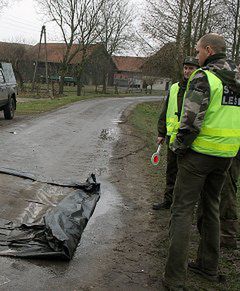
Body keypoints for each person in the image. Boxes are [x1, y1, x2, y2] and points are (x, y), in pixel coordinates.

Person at [162, 33, 240, 290]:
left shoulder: (205, 77)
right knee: (211, 209)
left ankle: (174, 278)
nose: (196, 56)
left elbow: (191, 119)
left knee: (182, 210)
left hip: (199, 155)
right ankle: (208, 268)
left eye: (198, 51)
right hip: (226, 156)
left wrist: (178, 147)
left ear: (208, 50)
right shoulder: (237, 77)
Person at [152, 57, 199, 210]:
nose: (187, 71)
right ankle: (168, 200)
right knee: (171, 171)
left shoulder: (200, 88)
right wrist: (161, 132)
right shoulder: (174, 88)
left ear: (197, 70)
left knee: (186, 174)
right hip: (173, 139)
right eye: (185, 68)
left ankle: (182, 205)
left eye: (191, 68)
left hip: (190, 139)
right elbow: (165, 111)